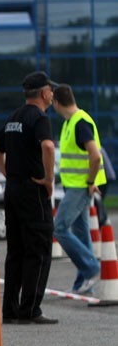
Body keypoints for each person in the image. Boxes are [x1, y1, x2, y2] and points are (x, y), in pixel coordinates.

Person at [0, 71, 57, 325]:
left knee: (16, 250)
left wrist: (6, 172)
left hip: (13, 190)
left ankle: (10, 310)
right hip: (33, 190)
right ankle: (30, 310)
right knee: (38, 249)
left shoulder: (14, 117)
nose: (52, 93)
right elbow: (48, 146)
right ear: (43, 93)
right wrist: (48, 179)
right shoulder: (39, 118)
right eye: (50, 89)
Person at [51, 84, 106, 295]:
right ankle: (83, 285)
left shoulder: (80, 122)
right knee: (81, 233)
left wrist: (91, 182)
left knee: (60, 228)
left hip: (81, 186)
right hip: (74, 185)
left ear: (56, 102)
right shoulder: (69, 123)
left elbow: (95, 155)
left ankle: (92, 268)